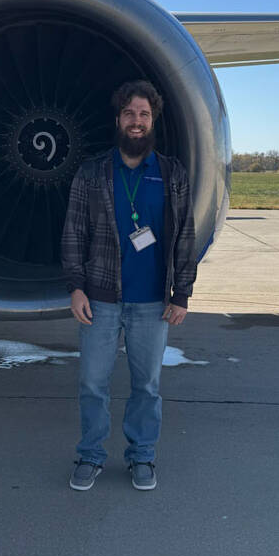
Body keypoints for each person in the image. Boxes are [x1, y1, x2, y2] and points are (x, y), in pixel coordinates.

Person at [61, 79, 197, 491]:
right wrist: (76, 286)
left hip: (153, 303)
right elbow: (73, 233)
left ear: (152, 121)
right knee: (92, 383)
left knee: (147, 386)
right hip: (100, 300)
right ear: (117, 120)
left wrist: (182, 294)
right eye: (129, 114)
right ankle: (90, 454)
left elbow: (185, 238)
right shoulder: (93, 173)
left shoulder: (172, 174)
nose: (136, 122)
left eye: (144, 114)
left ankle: (142, 456)